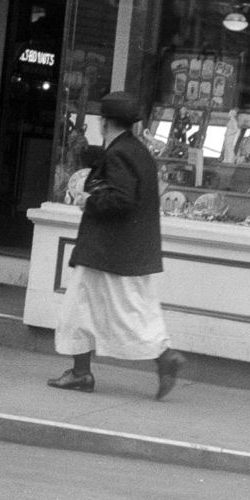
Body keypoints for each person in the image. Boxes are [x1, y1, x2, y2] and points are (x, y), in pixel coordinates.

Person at [46, 91, 186, 400]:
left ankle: (83, 373)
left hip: (108, 250)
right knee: (134, 312)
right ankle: (163, 357)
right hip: (130, 250)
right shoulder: (138, 151)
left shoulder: (119, 153)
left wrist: (88, 199)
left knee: (80, 309)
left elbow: (122, 199)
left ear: (104, 122)